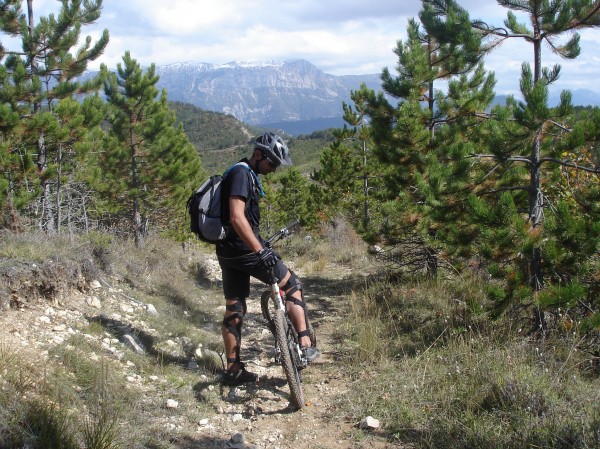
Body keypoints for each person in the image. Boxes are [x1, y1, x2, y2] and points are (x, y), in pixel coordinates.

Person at [217, 132, 320, 386]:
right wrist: (259, 250)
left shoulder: (240, 172)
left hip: (227, 252)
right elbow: (237, 217)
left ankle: (233, 370)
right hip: (246, 250)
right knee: (292, 283)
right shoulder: (242, 174)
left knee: (235, 308)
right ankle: (306, 344)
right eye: (272, 163)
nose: (274, 169)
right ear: (258, 154)